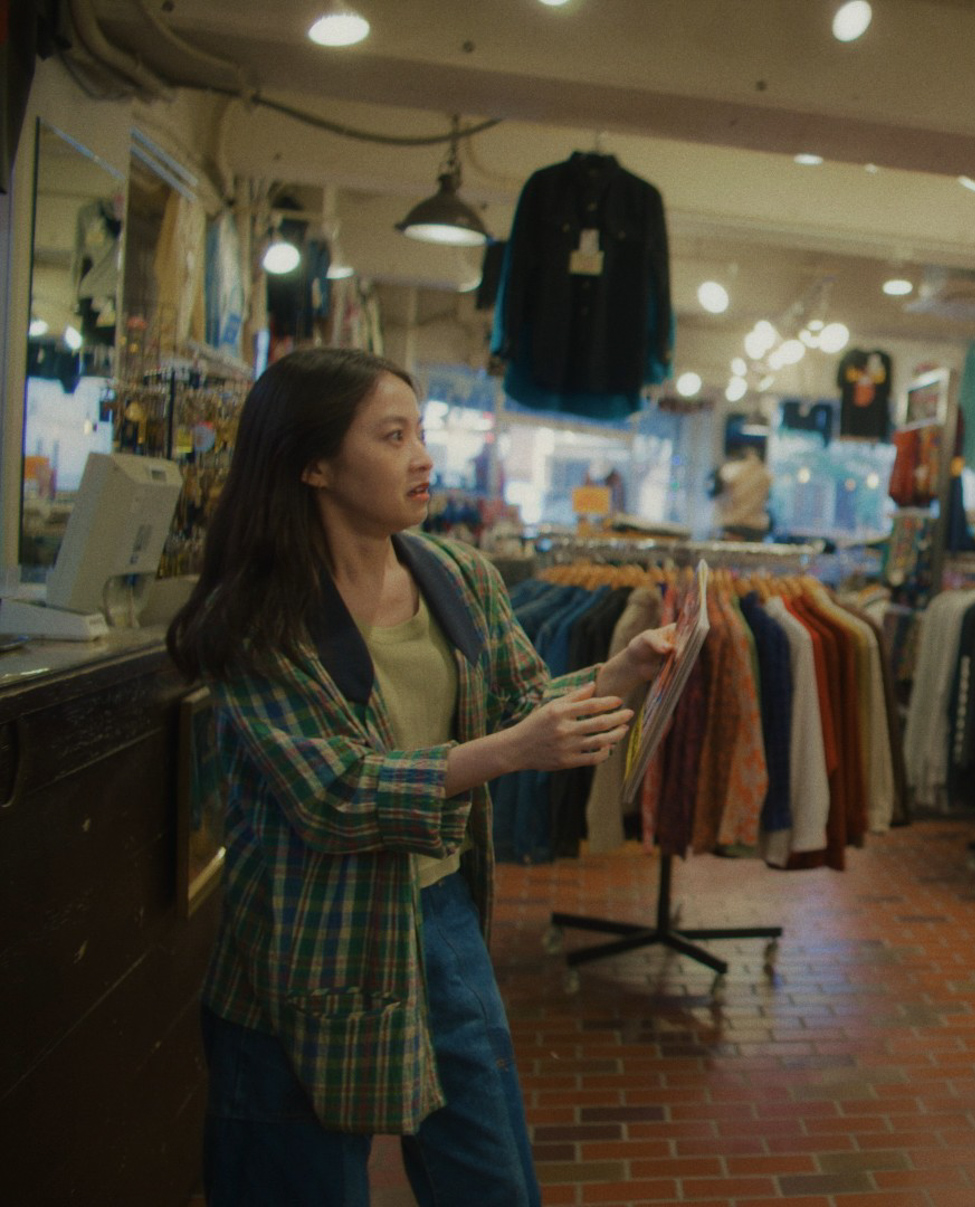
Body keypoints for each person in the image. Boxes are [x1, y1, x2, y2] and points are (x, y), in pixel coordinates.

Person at [167, 348, 676, 1207]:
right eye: (392, 435)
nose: (423, 458)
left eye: (421, 432)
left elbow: (517, 705)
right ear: (313, 463)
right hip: (306, 934)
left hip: (439, 915)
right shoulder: (256, 617)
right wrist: (509, 751)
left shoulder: (457, 576)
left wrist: (622, 671)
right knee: (303, 1182)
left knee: (492, 1179)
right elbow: (335, 793)